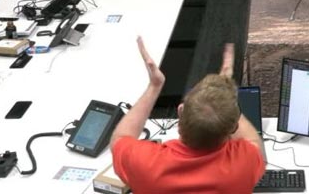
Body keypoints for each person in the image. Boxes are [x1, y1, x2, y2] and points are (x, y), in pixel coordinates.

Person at [111, 39, 265, 193]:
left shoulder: (146, 163)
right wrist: (225, 96)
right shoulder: (244, 163)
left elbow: (119, 139)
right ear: (233, 126)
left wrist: (154, 86)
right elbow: (254, 143)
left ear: (180, 112)